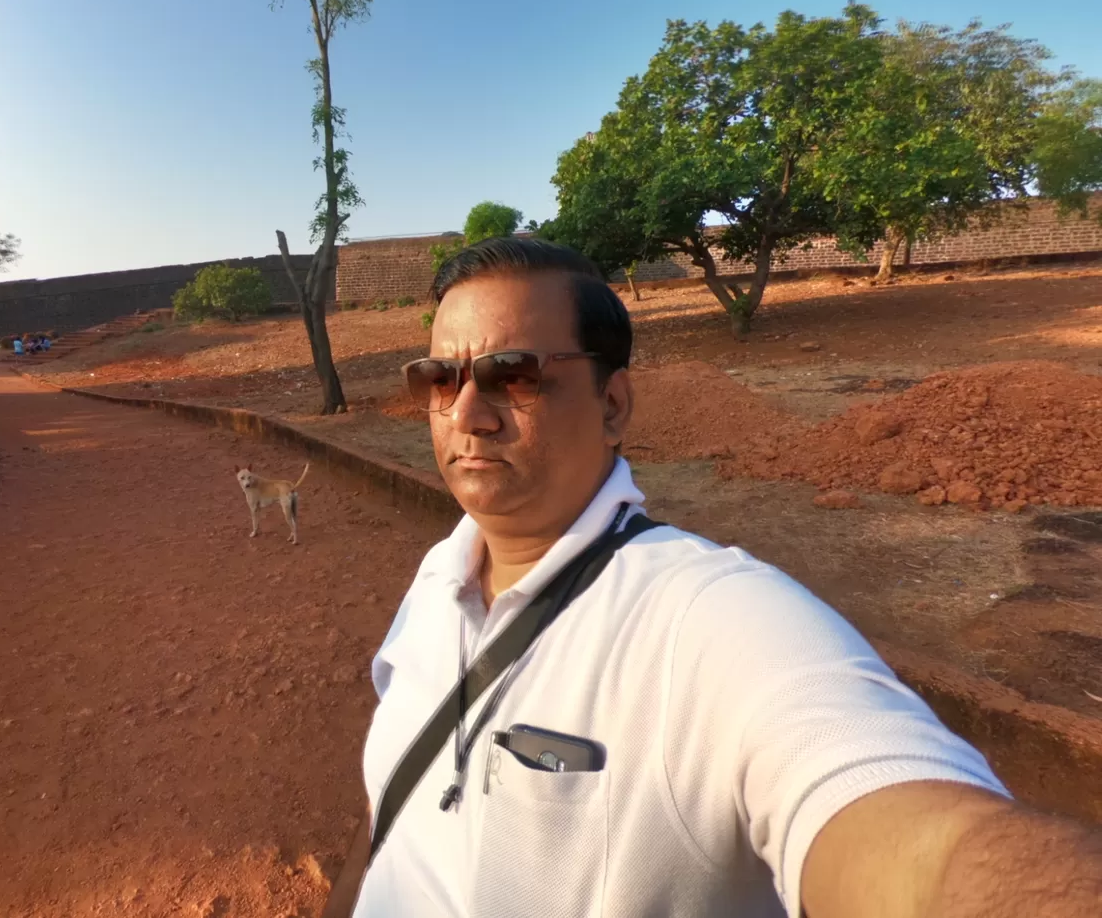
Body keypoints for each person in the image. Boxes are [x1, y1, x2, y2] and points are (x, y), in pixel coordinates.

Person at [324, 238, 1102, 918]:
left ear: (614, 404)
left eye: (513, 375)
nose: (467, 412)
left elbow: (915, 842)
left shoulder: (710, 622)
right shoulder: (437, 578)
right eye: (438, 377)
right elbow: (392, 814)